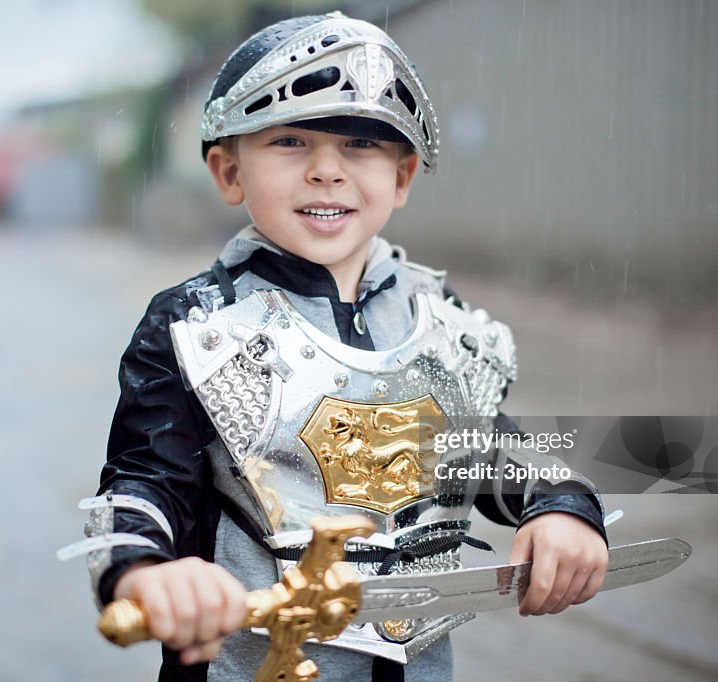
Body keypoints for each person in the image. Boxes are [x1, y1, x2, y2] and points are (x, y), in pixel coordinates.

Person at [68, 11, 608, 681]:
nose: (327, 171)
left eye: (360, 144)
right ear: (229, 172)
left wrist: (561, 505)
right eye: (291, 141)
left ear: (403, 176)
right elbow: (145, 482)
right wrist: (146, 572)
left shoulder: (439, 322)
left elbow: (489, 448)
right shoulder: (194, 326)